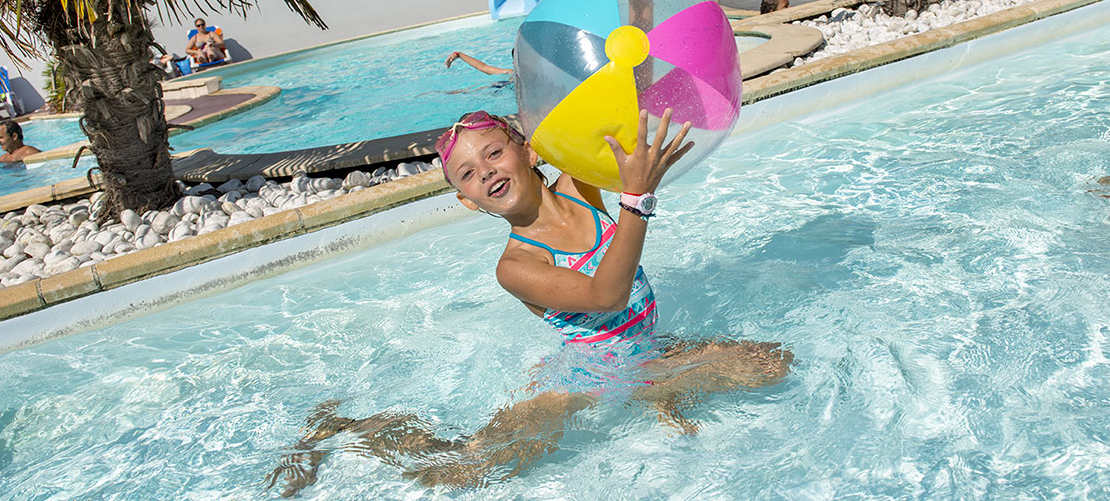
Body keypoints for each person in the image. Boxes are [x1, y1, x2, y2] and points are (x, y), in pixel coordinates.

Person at [267, 111, 792, 494]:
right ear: (467, 201)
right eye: (468, 175)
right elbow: (606, 296)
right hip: (584, 378)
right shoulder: (515, 267)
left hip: (642, 351)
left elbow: (618, 119)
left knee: (772, 364)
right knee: (465, 469)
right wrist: (636, 198)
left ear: (529, 150)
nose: (486, 173)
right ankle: (346, 427)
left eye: (494, 153)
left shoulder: (581, 186)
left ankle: (656, 387)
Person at [444, 51, 513, 76]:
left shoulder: (512, 74)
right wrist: (459, 54)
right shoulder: (511, 73)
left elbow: (484, 67)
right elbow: (483, 67)